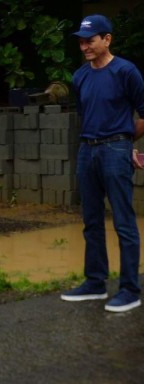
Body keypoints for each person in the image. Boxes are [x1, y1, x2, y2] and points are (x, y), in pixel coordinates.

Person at [60, 14, 144, 313]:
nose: (85, 47)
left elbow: (143, 114)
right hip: (87, 150)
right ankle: (95, 283)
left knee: (123, 221)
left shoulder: (126, 71)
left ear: (107, 39)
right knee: (91, 221)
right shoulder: (80, 76)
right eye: (81, 42)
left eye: (90, 40)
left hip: (114, 150)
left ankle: (130, 290)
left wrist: (124, 144)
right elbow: (86, 113)